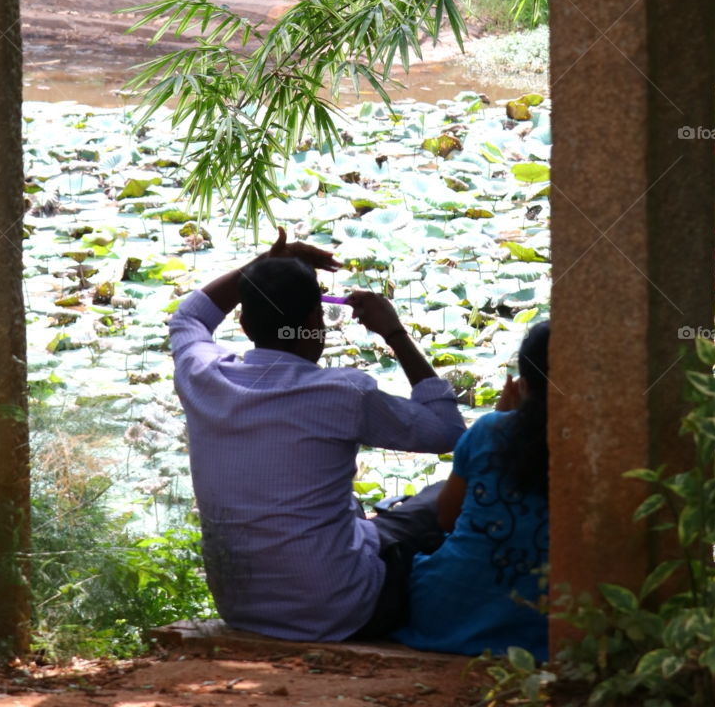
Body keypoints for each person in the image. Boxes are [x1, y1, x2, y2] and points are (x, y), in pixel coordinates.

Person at [169, 227, 467, 642]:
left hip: (242, 609)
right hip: (341, 610)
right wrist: (395, 334)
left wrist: (261, 267)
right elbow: (449, 432)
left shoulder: (203, 374)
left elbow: (189, 317)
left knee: (362, 515)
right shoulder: (343, 393)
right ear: (315, 321)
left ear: (245, 322)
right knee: (448, 495)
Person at [393, 322, 551, 660]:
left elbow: (447, 518)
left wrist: (502, 419)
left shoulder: (489, 430)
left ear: (523, 383)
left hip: (444, 617)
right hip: (543, 631)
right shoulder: (602, 441)